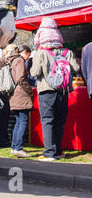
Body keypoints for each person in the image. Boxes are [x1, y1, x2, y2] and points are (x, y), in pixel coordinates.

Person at [30, 17, 80, 161]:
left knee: (47, 121)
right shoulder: (67, 51)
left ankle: (49, 153)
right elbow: (76, 68)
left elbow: (34, 73)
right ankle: (58, 151)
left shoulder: (41, 52)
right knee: (59, 122)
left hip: (46, 91)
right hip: (63, 91)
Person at [0, 44, 18, 148]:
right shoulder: (0, 62)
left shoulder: (7, 62)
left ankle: (3, 140)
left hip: (5, 94)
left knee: (4, 119)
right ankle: (0, 141)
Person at [9, 45, 33, 158]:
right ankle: (18, 148)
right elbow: (21, 78)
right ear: (26, 52)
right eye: (29, 54)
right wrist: (30, 90)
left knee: (18, 121)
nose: (28, 57)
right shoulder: (20, 60)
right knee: (23, 120)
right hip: (21, 94)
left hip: (15, 94)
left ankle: (14, 147)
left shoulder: (13, 60)